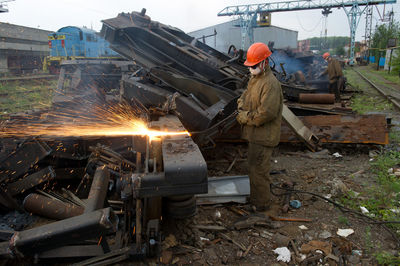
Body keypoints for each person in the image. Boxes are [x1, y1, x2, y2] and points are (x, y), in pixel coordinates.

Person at [236, 42, 283, 212]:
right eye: (250, 66)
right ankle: (257, 199)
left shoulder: (270, 83)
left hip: (263, 136)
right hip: (254, 135)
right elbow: (244, 97)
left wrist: (244, 117)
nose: (251, 69)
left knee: (259, 172)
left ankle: (262, 205)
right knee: (254, 169)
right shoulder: (255, 79)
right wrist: (241, 105)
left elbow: (266, 113)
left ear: (265, 62)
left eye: (254, 66)